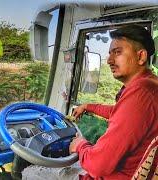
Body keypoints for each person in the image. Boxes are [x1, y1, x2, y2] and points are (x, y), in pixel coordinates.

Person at [22, 25, 158, 179]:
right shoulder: (151, 86)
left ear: (141, 57)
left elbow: (98, 166)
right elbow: (120, 113)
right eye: (109, 54)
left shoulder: (140, 94)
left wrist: (80, 145)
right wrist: (88, 107)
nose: (109, 60)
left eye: (117, 52)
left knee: (29, 172)